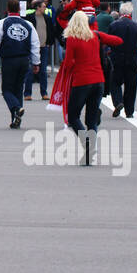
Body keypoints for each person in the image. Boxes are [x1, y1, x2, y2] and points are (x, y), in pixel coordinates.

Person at [58, 10, 122, 163]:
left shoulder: (73, 39)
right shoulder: (96, 35)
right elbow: (118, 40)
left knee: (73, 116)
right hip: (98, 80)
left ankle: (86, 142)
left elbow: (67, 63)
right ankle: (89, 151)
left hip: (81, 81)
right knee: (91, 119)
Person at [0, 0, 39, 129]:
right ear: (19, 9)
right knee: (18, 89)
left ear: (7, 9)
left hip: (9, 60)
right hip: (24, 60)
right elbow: (34, 44)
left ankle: (16, 109)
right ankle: (16, 118)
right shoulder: (28, 24)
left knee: (6, 89)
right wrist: (36, 62)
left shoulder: (1, 24)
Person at [104, 2, 137, 118]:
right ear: (131, 13)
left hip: (117, 57)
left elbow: (109, 40)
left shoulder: (114, 25)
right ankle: (130, 111)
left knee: (115, 82)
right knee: (131, 85)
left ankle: (118, 102)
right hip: (132, 57)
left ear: (121, 12)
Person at [23, 0, 54, 100]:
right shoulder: (30, 18)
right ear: (38, 7)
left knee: (43, 71)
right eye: (43, 6)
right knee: (30, 70)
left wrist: (49, 42)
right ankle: (27, 94)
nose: (45, 8)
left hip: (44, 46)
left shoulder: (47, 18)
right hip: (32, 48)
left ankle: (44, 93)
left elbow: (50, 31)